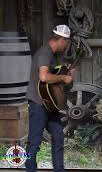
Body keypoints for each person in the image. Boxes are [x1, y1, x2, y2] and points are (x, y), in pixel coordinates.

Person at [25, 24, 74, 172]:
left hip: (49, 105)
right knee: (34, 142)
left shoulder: (52, 55)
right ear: (62, 40)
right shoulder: (45, 53)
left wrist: (67, 75)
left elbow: (52, 80)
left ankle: (59, 170)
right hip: (38, 105)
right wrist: (64, 77)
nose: (66, 45)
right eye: (67, 42)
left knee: (58, 136)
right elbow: (44, 77)